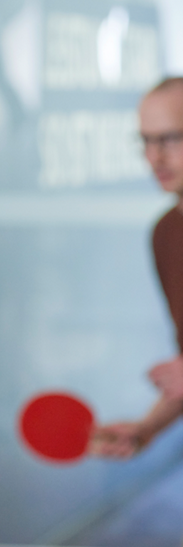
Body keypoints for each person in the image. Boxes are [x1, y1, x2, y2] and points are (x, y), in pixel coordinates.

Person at [90, 76, 183, 458]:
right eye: (145, 141)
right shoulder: (166, 234)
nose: (153, 158)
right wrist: (147, 428)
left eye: (170, 139)